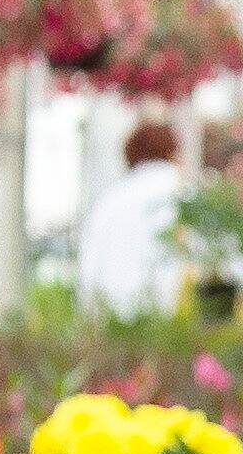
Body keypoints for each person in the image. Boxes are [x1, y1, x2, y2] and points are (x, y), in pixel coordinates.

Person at [73, 119, 188, 318]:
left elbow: (88, 269)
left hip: (113, 319)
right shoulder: (186, 195)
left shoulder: (110, 200)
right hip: (171, 321)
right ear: (173, 152)